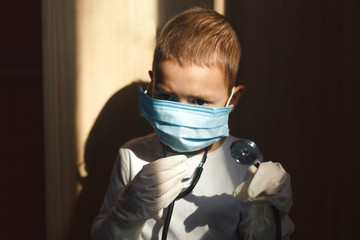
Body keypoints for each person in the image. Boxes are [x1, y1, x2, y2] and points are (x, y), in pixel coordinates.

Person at [91, 7, 294, 240]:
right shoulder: (132, 155)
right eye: (166, 96)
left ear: (233, 99)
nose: (180, 113)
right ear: (153, 83)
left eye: (199, 101)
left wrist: (271, 216)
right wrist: (127, 212)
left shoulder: (243, 164)